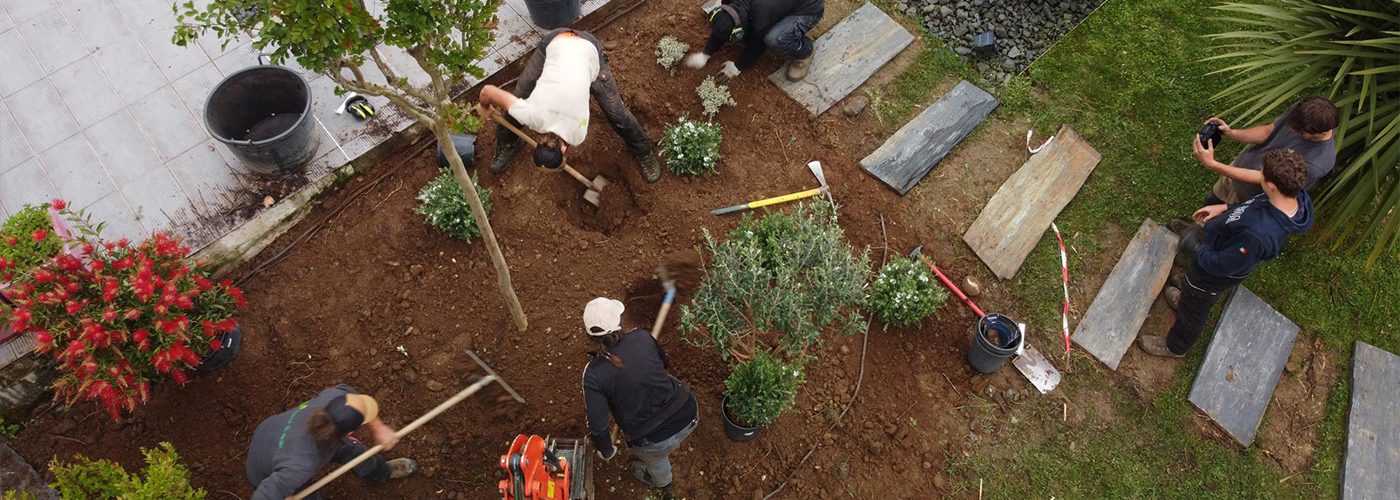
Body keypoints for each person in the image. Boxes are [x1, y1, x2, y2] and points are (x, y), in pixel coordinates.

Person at [1139, 150, 1314, 358]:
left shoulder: (1258, 236)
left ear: (1272, 186)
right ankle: (1186, 294)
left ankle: (1176, 346)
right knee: (1191, 291)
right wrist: (1225, 208)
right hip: (1221, 246)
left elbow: (1222, 265)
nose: (1259, 172)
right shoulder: (1291, 196)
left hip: (1212, 274)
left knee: (1195, 308)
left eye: (1262, 173)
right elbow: (1252, 208)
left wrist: (1196, 248)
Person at [476, 28, 661, 183]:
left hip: (586, 48)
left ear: (563, 149)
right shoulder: (532, 116)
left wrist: (484, 108)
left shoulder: (577, 135)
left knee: (617, 113)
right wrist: (485, 105)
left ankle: (643, 151)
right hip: (556, 48)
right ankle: (508, 142)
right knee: (520, 94)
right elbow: (488, 91)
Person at [580, 297, 697, 498]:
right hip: (688, 411)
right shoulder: (642, 336)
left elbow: (598, 428)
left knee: (657, 462)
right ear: (618, 321)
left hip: (652, 441)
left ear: (590, 336)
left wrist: (607, 452)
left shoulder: (592, 374)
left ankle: (663, 484)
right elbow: (664, 363)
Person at [246, 385, 418, 500]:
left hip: (272, 433)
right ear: (349, 432)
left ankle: (378, 472)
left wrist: (378, 427)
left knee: (356, 451)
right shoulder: (300, 466)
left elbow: (355, 397)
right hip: (265, 470)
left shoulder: (333, 397)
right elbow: (264, 495)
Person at [1192, 97, 1338, 206]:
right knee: (1213, 199)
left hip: (1250, 195)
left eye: (1298, 132)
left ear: (1318, 133)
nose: (1291, 130)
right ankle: (1196, 227)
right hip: (1238, 168)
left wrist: (1213, 165)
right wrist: (1232, 133)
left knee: (1218, 223)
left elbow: (1264, 178)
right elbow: (1269, 131)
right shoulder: (1301, 113)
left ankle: (1196, 239)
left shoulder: (1317, 161)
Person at [682, 0, 825, 83]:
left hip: (808, 7)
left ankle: (805, 51)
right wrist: (705, 54)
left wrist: (738, 67)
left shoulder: (761, 19)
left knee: (773, 39)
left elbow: (757, 46)